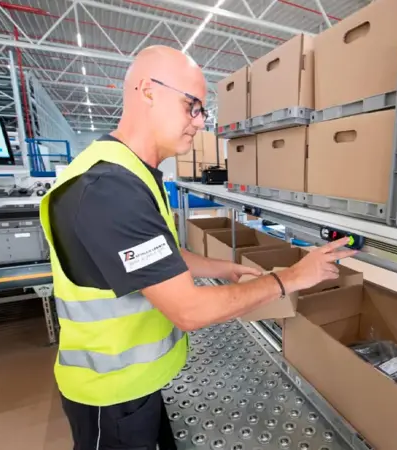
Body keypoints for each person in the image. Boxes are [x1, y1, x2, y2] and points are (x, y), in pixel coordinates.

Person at [39, 45, 358, 450]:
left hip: (136, 384)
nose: (200, 122)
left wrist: (224, 268)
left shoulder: (132, 172)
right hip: (110, 394)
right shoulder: (110, 188)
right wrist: (291, 279)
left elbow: (158, 257)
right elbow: (189, 311)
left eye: (202, 111)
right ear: (148, 91)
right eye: (191, 106)